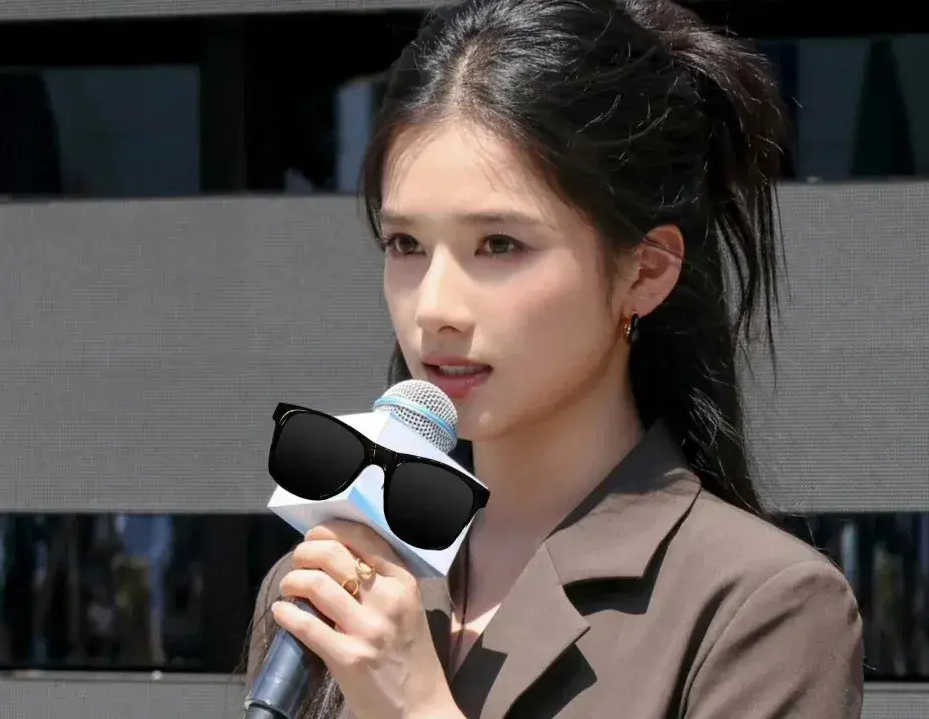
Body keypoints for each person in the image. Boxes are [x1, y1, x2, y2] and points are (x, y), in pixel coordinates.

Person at [246, 0, 865, 717]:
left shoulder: (762, 608)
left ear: (645, 271)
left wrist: (415, 705)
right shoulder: (326, 586)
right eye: (406, 245)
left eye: (499, 244)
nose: (435, 305)